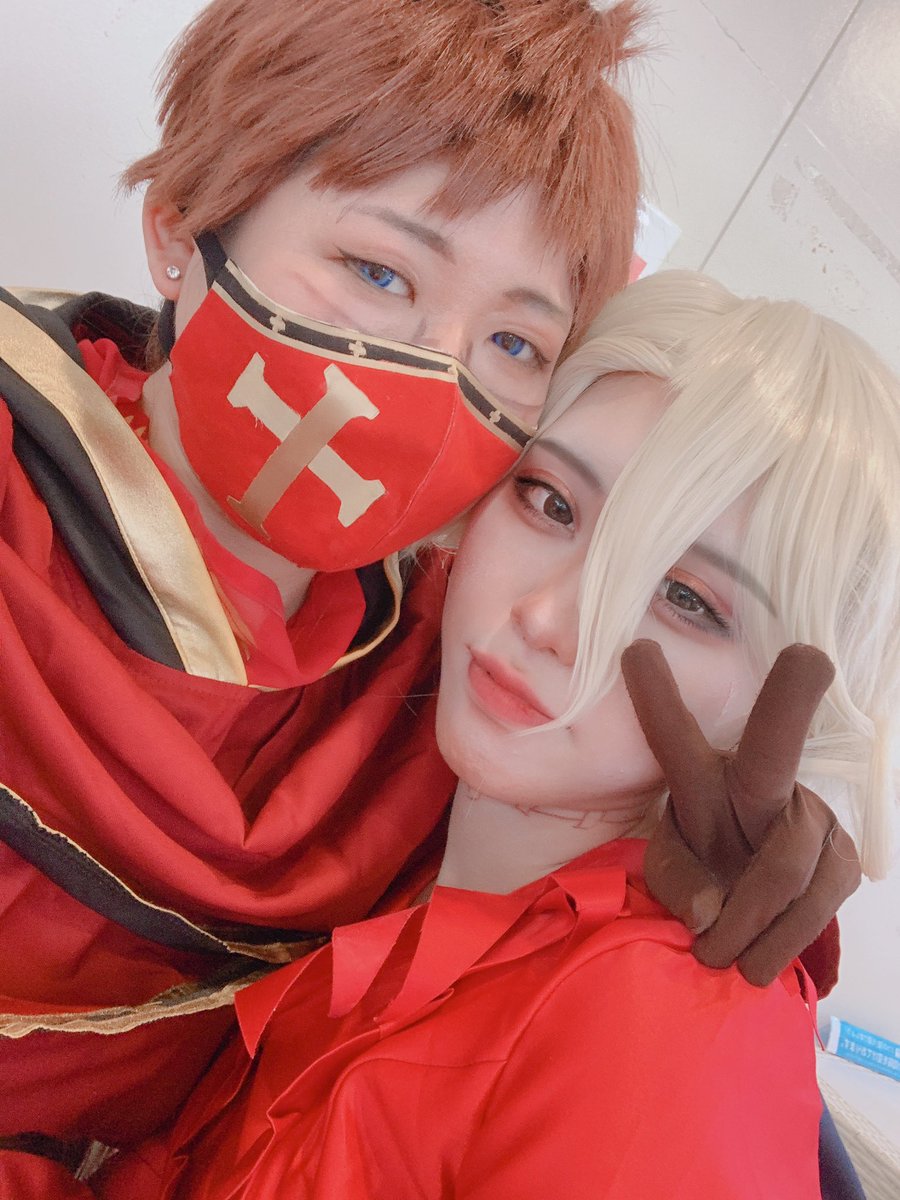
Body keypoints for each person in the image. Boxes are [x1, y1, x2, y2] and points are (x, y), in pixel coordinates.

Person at [0, 0, 858, 1170]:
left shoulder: (438, 673)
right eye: (378, 272)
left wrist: (771, 847)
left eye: (514, 345)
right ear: (182, 225)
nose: (430, 378)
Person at [32, 267, 898, 1199]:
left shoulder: (657, 1035)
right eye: (550, 502)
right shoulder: (375, 740)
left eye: (686, 599)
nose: (546, 619)